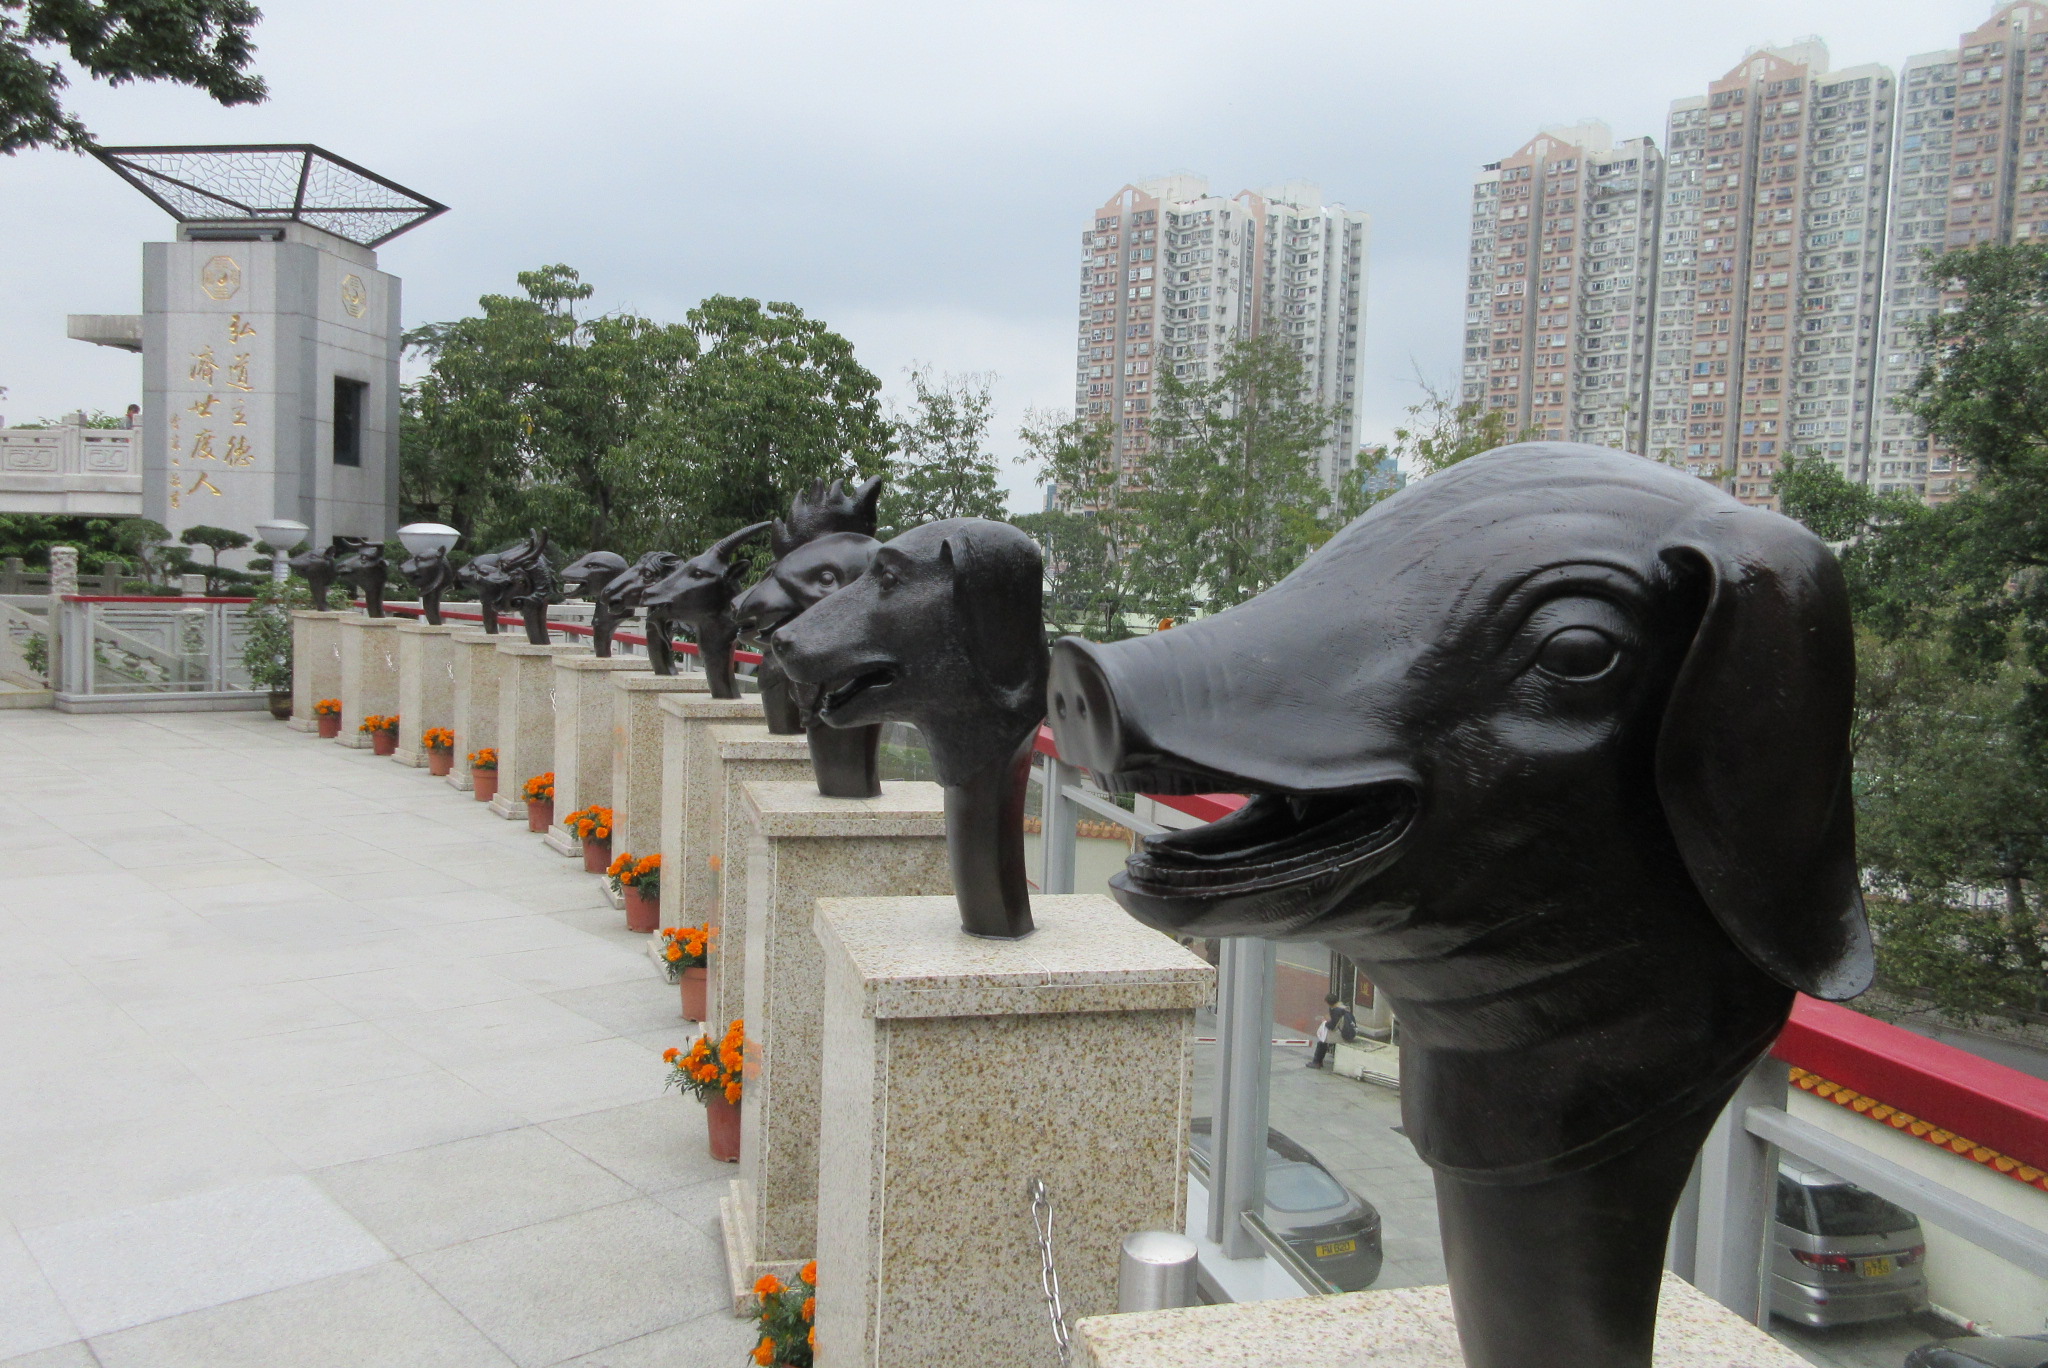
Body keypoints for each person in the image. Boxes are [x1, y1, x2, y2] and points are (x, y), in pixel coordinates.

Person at [1308, 994, 1355, 1069]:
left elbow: (1332, 1026)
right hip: (1349, 1033)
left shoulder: (1336, 1010)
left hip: (1342, 1035)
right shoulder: (1344, 1007)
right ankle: (1318, 1062)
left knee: (1322, 1041)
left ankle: (1316, 1062)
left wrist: (1325, 1023)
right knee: (1324, 1039)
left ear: (1329, 1003)